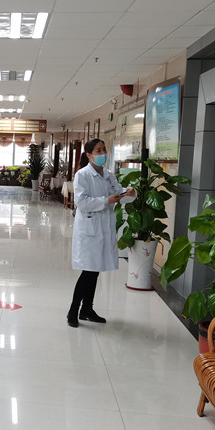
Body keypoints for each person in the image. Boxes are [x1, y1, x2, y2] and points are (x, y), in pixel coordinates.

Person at [68, 138, 135, 327]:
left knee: (94, 271)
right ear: (89, 155)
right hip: (89, 230)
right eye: (98, 150)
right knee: (88, 272)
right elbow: (82, 202)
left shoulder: (108, 174)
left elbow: (118, 193)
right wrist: (106, 200)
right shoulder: (82, 175)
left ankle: (87, 310)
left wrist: (128, 193)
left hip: (103, 228)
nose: (103, 153)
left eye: (104, 149)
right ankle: (73, 311)